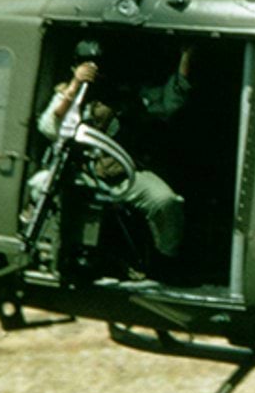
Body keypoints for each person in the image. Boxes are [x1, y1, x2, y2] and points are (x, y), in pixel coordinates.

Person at [30, 40, 194, 259]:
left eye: (98, 64)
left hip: (123, 174)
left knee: (166, 202)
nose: (94, 70)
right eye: (87, 64)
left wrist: (186, 59)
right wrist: (74, 86)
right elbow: (49, 128)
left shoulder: (130, 96)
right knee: (38, 187)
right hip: (79, 174)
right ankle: (49, 253)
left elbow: (170, 103)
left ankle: (164, 258)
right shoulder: (68, 93)